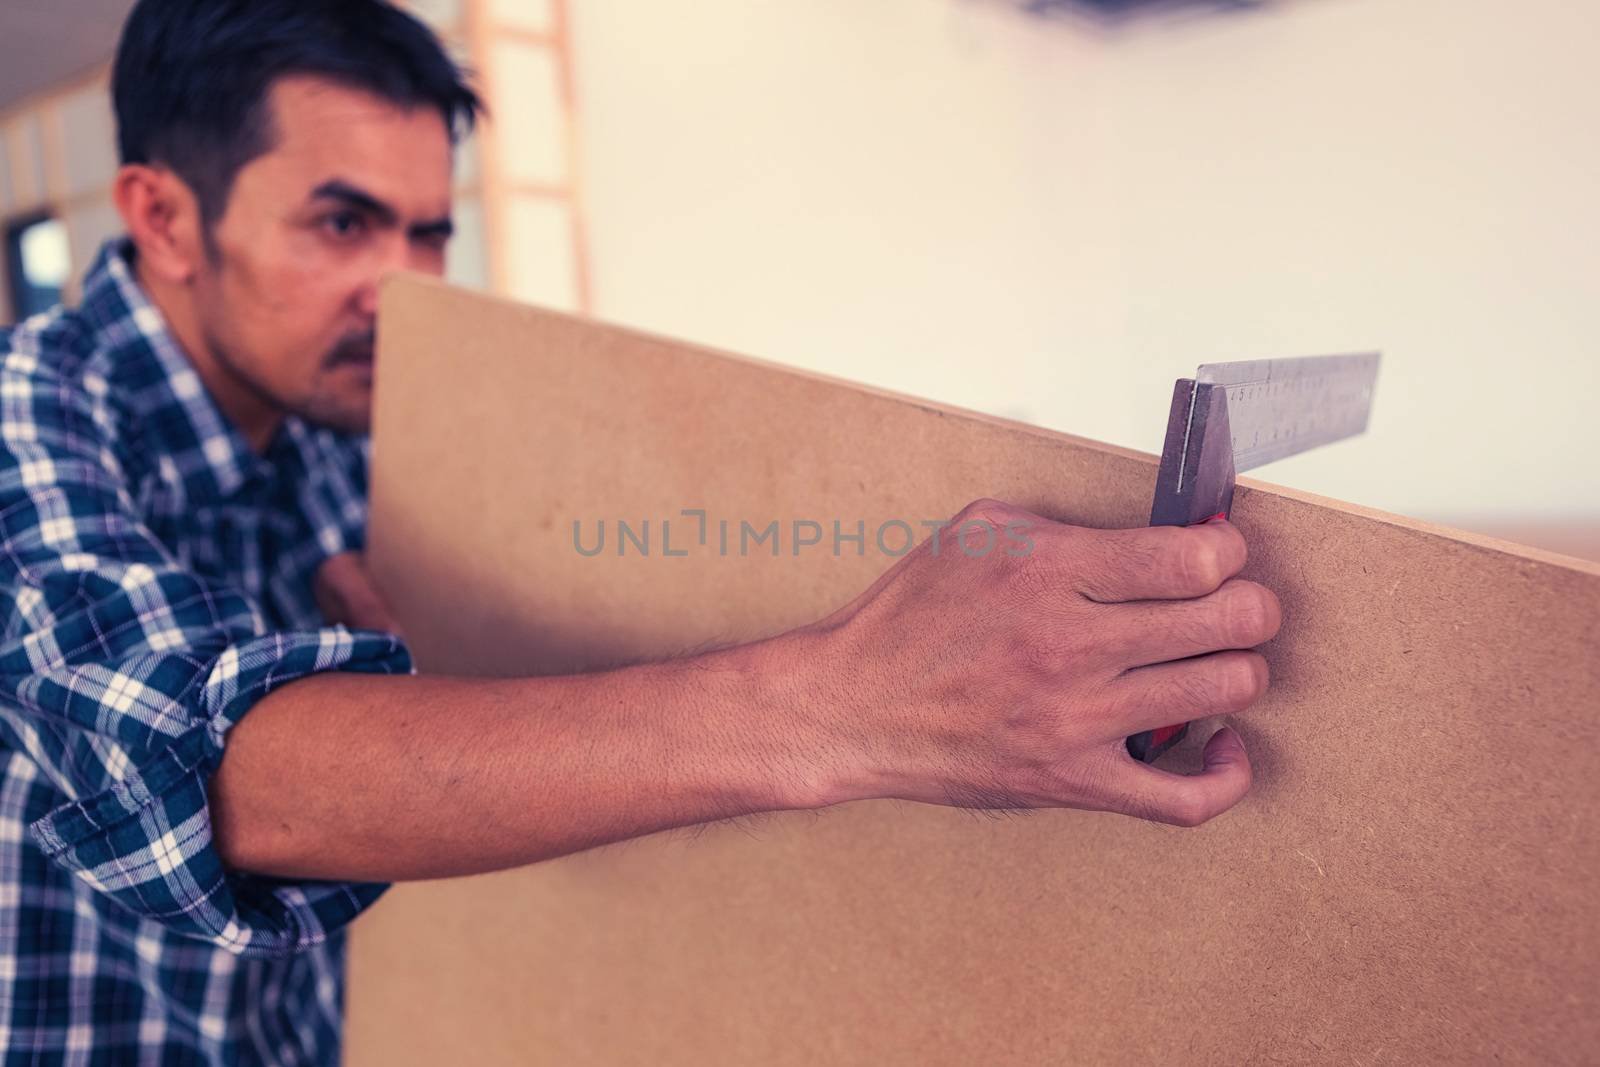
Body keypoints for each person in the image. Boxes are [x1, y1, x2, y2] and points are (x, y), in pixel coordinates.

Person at [0, 0, 1281, 1062]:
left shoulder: (341, 424)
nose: (401, 285)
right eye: (343, 224)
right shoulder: (24, 417)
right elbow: (208, 768)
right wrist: (851, 701)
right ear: (163, 219)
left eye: (428, 230)